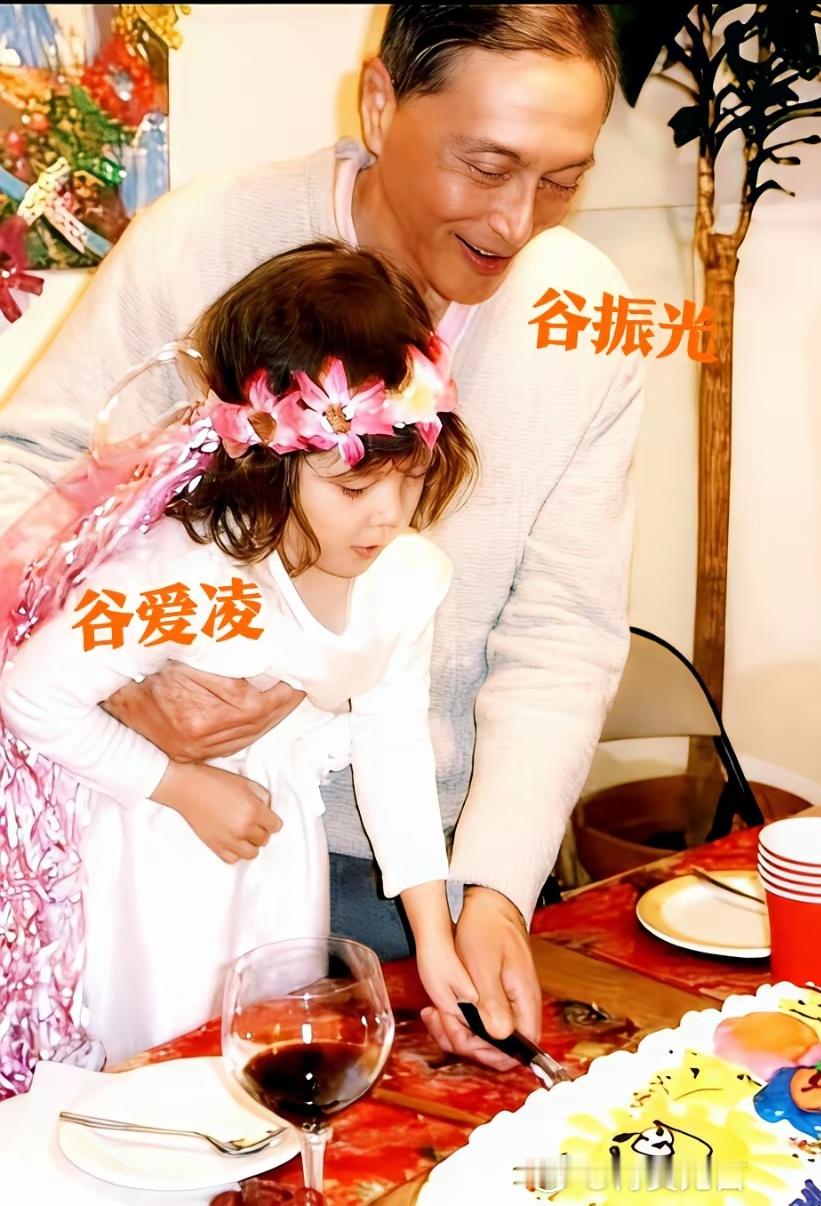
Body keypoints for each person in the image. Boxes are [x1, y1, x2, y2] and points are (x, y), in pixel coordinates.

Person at [0, 5, 641, 1070]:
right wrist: (123, 696)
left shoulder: (585, 318)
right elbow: (28, 477)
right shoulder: (201, 242)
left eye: (563, 180)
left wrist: (493, 892)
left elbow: (561, 635)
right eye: (486, 166)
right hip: (163, 835)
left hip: (419, 852)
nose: (517, 220)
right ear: (381, 103)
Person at [0, 243, 481, 1067]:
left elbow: (393, 747)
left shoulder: (403, 581)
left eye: (410, 479)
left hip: (277, 853)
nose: (388, 517)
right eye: (353, 489)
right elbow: (30, 696)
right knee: (163, 1069)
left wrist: (434, 939)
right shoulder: (185, 575)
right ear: (265, 464)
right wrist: (180, 784)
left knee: (267, 1058)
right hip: (158, 858)